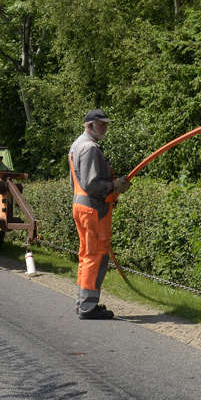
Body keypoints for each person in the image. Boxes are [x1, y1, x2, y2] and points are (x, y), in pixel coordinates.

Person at [68, 110, 131, 319]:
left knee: (87, 255)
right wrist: (114, 186)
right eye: (100, 124)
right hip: (94, 209)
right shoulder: (90, 148)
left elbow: (77, 181)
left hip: (81, 206)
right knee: (96, 255)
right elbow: (91, 183)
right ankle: (88, 306)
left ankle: (83, 302)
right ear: (89, 125)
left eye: (105, 124)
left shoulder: (77, 145)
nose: (105, 127)